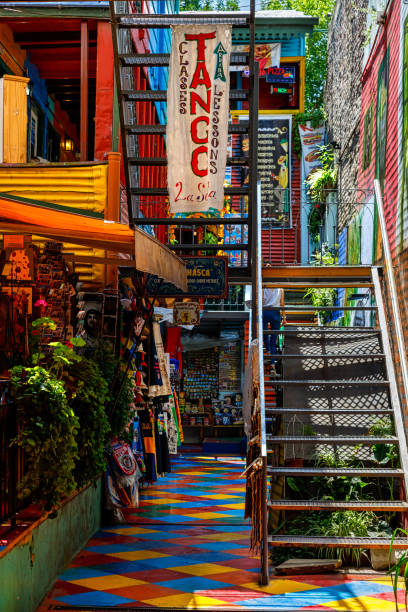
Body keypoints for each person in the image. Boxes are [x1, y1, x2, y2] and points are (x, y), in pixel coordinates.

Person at [263, 287, 285, 375]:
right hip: (276, 314)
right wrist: (284, 317)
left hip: (265, 312)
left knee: (264, 334)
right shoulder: (281, 289)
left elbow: (260, 301)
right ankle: (272, 365)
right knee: (273, 341)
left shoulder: (263, 288)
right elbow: (282, 304)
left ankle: (268, 351)